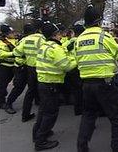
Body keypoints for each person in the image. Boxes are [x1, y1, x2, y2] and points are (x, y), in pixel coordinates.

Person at [75, 5, 118, 152]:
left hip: (87, 84)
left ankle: (82, 148)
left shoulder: (79, 39)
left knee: (88, 116)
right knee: (117, 118)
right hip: (105, 84)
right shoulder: (104, 36)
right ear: (99, 22)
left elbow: (77, 59)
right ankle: (117, 149)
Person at [32, 22, 76, 151]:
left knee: (43, 111)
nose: (61, 36)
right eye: (59, 34)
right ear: (55, 34)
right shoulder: (55, 48)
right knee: (51, 113)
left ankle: (37, 134)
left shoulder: (44, 46)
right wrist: (77, 59)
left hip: (43, 83)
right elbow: (67, 66)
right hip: (51, 84)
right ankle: (40, 142)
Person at [13, 19, 45, 122]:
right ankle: (43, 117)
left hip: (30, 68)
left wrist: (26, 58)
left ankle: (25, 115)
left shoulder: (26, 39)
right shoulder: (42, 38)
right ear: (40, 29)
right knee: (43, 92)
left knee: (30, 91)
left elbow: (17, 52)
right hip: (40, 68)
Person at [4, 24, 34, 114]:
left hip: (26, 66)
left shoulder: (25, 39)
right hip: (21, 67)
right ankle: (8, 104)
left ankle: (36, 102)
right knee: (19, 87)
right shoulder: (24, 40)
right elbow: (17, 52)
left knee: (32, 86)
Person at [0, 25, 19, 109]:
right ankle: (1, 102)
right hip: (4, 67)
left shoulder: (15, 40)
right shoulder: (1, 42)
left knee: (8, 83)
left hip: (14, 66)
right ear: (6, 34)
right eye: (11, 33)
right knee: (2, 85)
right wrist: (13, 54)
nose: (13, 34)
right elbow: (0, 54)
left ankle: (0, 94)